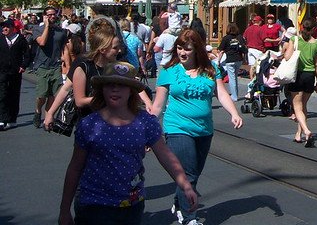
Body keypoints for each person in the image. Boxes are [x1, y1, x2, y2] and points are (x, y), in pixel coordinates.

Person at [58, 61, 196, 225]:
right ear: (102, 89)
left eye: (122, 86)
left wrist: (185, 185)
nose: (115, 89)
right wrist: (64, 210)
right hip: (93, 204)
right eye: (110, 85)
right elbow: (75, 167)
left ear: (131, 91)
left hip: (130, 205)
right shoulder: (89, 124)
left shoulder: (145, 122)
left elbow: (165, 155)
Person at [152, 29, 243, 225]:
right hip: (177, 128)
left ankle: (179, 201)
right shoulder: (169, 71)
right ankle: (189, 218)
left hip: (204, 129)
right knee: (189, 172)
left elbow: (221, 93)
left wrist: (234, 113)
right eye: (179, 48)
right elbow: (158, 105)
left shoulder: (210, 69)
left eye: (187, 49)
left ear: (197, 50)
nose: (182, 52)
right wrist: (148, 131)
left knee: (192, 173)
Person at [45, 18, 152, 130]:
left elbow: (133, 84)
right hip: (89, 123)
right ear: (103, 49)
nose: (119, 51)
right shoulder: (84, 64)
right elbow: (69, 91)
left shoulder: (119, 63)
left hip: (116, 121)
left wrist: (148, 102)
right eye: (115, 48)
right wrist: (50, 113)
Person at [283, 19, 317, 147]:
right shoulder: (316, 44)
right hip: (310, 76)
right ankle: (299, 134)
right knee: (304, 106)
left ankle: (306, 130)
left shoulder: (295, 40)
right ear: (313, 29)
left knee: (297, 107)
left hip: (298, 74)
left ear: (302, 27)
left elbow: (287, 57)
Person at [32, 6, 69, 128]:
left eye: (54, 14)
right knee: (41, 95)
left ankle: (48, 118)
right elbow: (42, 42)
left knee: (54, 95)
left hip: (55, 66)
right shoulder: (37, 29)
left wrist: (67, 66)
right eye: (49, 15)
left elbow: (65, 49)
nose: (52, 17)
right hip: (42, 66)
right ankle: (38, 111)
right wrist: (47, 26)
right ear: (44, 16)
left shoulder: (61, 31)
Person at [0, 18, 30, 130]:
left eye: (7, 27)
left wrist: (23, 66)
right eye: (3, 27)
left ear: (13, 28)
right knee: (2, 94)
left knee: (13, 94)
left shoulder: (20, 39)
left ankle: (12, 119)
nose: (4, 28)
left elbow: (27, 54)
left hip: (15, 71)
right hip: (2, 71)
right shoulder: (1, 39)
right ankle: (2, 119)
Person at [217, 23, 246, 102]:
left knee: (232, 78)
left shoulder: (226, 38)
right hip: (239, 59)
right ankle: (235, 93)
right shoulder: (239, 37)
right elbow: (244, 48)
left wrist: (218, 61)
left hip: (230, 60)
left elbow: (221, 50)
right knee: (235, 77)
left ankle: (234, 96)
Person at [243, 15, 267, 79]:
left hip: (250, 49)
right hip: (258, 49)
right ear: (259, 21)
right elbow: (265, 39)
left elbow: (244, 38)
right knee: (261, 65)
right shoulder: (260, 29)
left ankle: (252, 80)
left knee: (252, 66)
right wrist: (276, 40)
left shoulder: (248, 29)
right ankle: (259, 79)